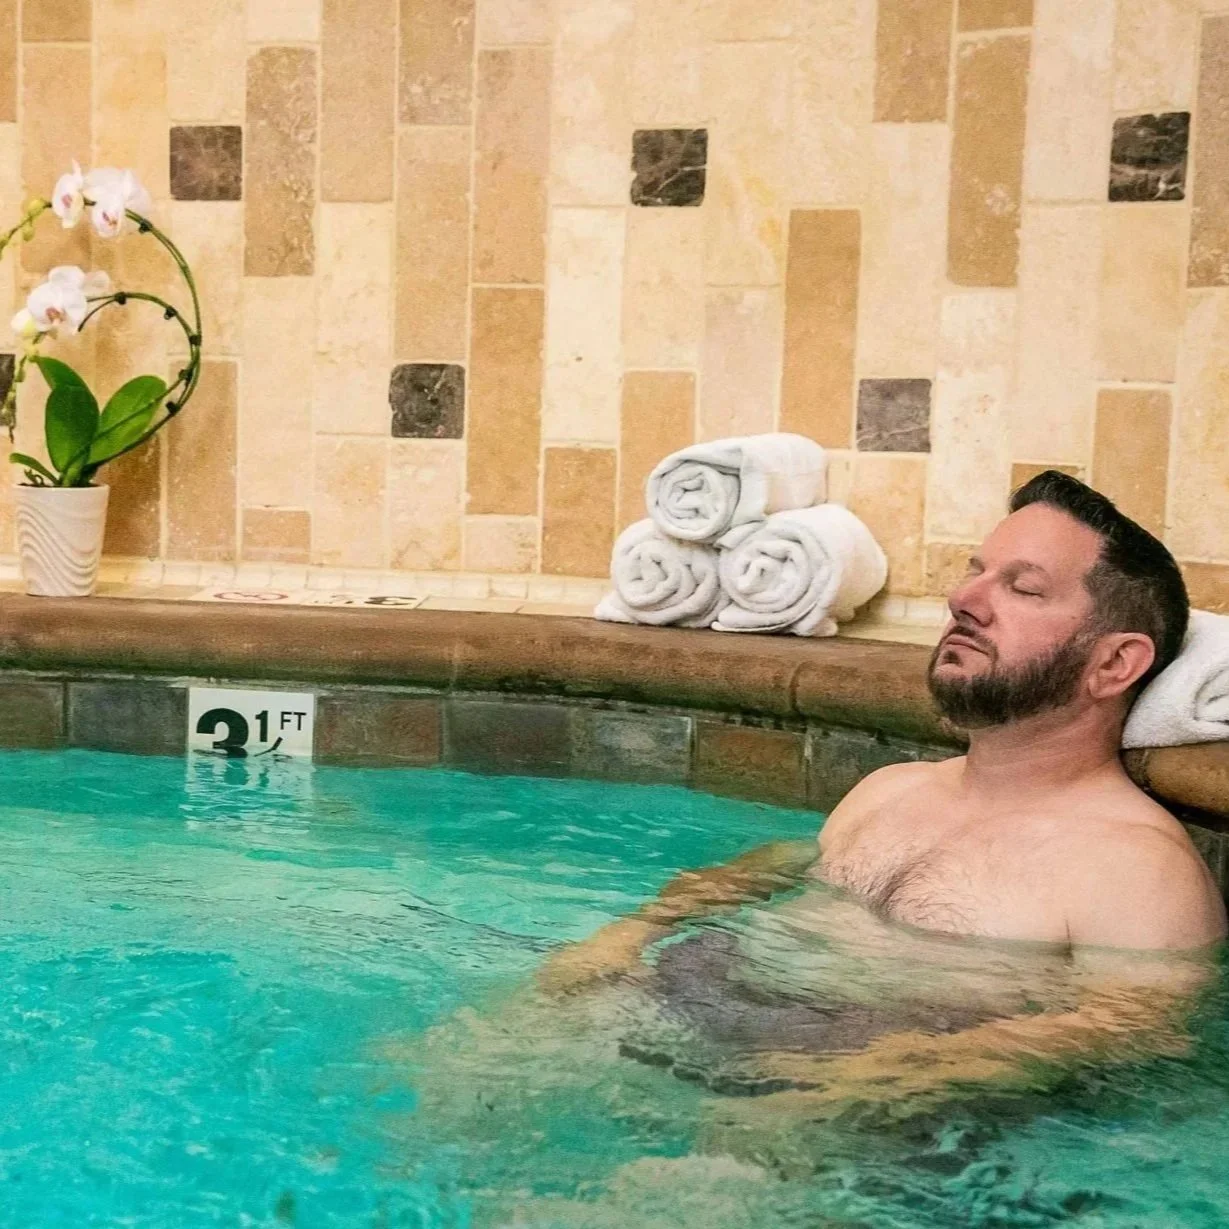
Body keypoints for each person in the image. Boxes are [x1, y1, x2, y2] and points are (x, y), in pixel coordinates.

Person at [537, 471, 1227, 1118]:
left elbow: (1134, 1028)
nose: (964, 599)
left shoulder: (1136, 868)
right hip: (706, 1010)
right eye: (974, 572)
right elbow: (780, 859)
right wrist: (628, 933)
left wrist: (876, 1080)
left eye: (1022, 588)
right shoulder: (888, 789)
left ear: (1113, 663)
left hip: (878, 1118)